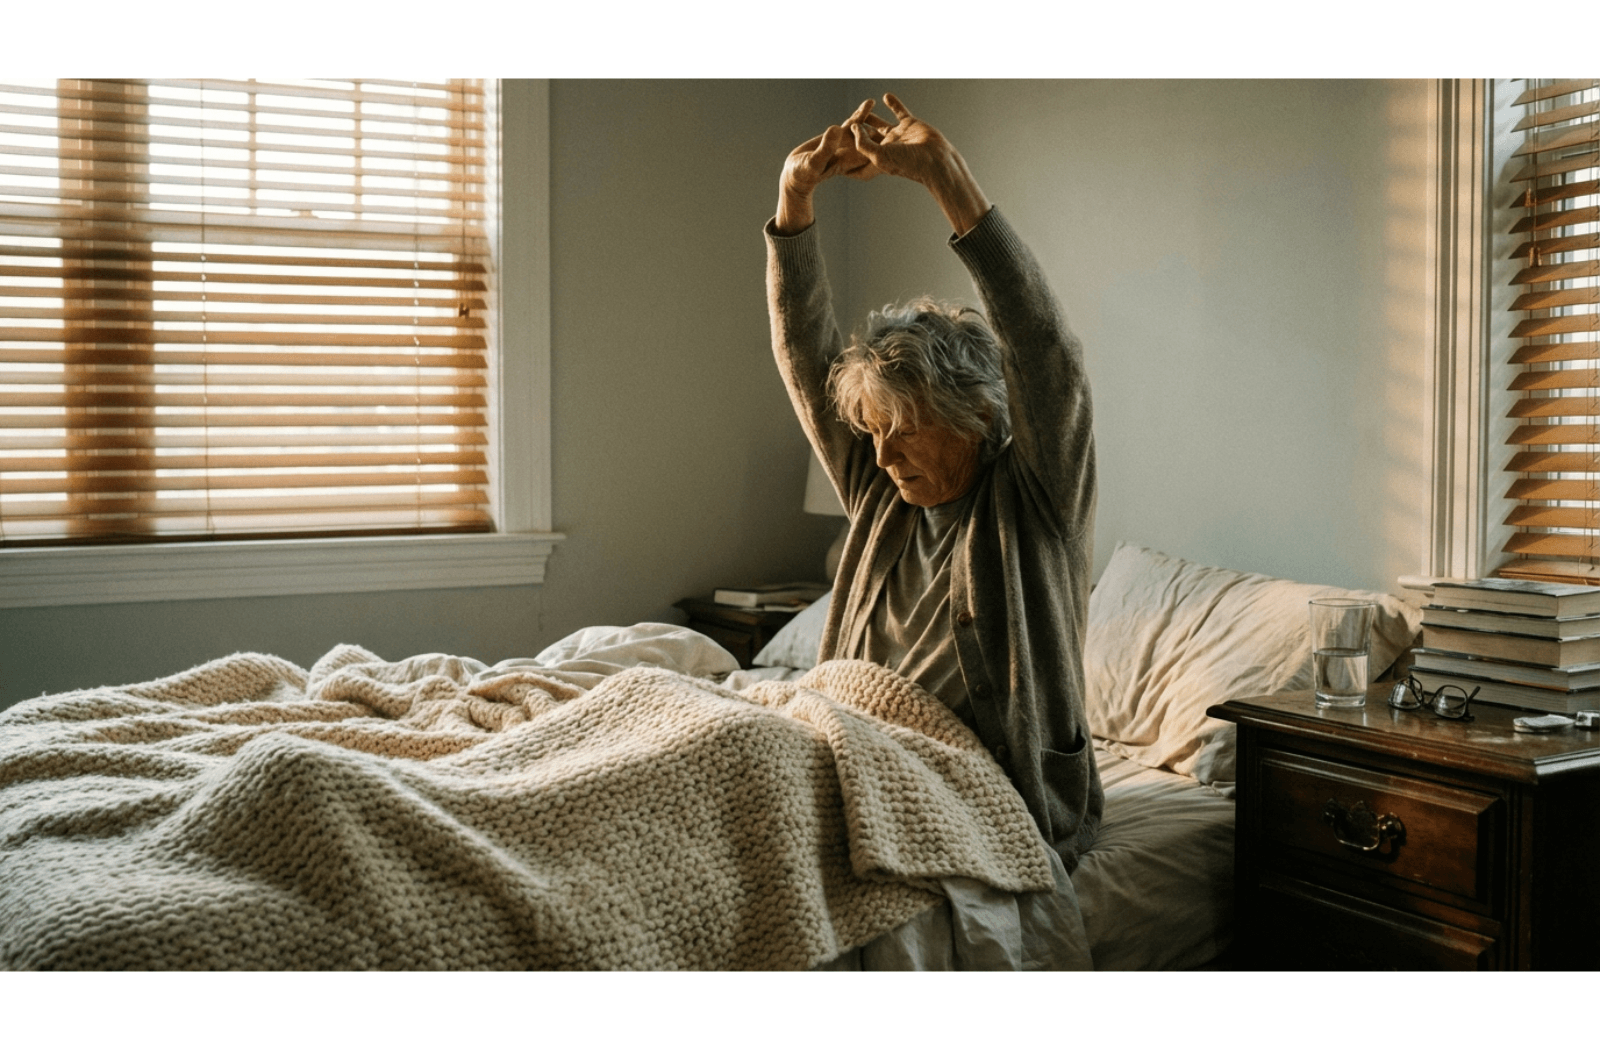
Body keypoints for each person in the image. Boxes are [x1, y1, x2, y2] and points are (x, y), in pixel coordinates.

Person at [765, 94, 1102, 871]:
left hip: (975, 785)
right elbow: (806, 360)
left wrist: (948, 179)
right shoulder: (883, 495)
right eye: (872, 433)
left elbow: (1047, 353)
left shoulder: (1036, 500)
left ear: (977, 416)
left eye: (905, 428)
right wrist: (793, 202)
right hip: (845, 741)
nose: (881, 457)